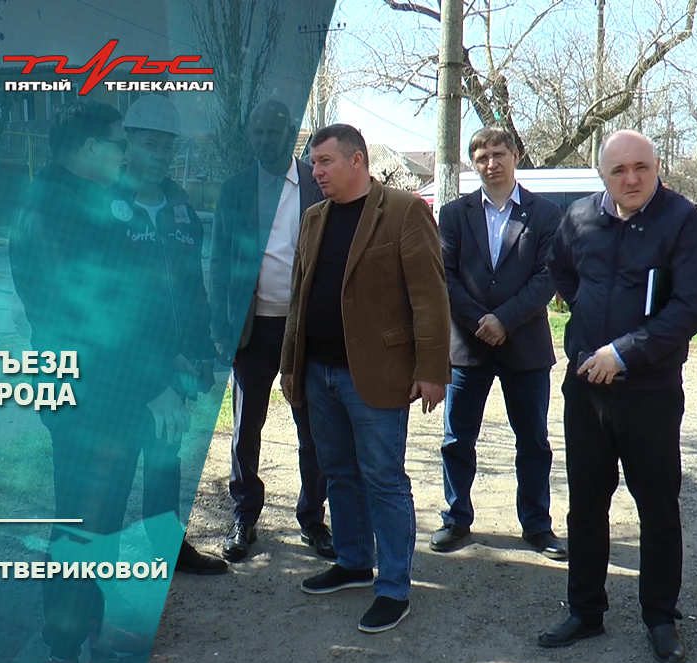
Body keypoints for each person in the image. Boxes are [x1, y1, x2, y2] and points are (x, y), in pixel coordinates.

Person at [9, 99, 181, 663]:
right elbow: (94, 317)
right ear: (86, 148)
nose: (126, 154)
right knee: (84, 523)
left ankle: (88, 631)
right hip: (91, 396)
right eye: (117, 143)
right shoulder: (57, 208)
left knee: (97, 518)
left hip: (101, 392)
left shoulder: (77, 198)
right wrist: (151, 384)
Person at [539, 129, 697, 663]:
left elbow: (692, 306)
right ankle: (585, 610)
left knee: (657, 506)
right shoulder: (578, 218)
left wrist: (622, 351)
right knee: (586, 504)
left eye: (641, 167)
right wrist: (589, 322)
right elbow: (560, 269)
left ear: (657, 166)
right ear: (602, 175)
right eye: (618, 170)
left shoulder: (683, 221)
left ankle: (660, 617)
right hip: (585, 390)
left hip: (649, 391)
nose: (631, 178)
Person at [280, 124, 450, 633]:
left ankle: (394, 587)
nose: (316, 172)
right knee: (337, 470)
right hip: (319, 372)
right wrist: (290, 365)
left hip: (376, 374)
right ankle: (353, 562)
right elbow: (299, 297)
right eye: (313, 163)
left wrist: (431, 371)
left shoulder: (403, 211)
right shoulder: (314, 218)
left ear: (357, 160)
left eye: (325, 162)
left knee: (384, 479)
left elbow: (429, 297)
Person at [430, 127, 567, 560]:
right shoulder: (454, 214)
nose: (491, 163)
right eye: (482, 157)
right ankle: (456, 518)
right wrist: (480, 321)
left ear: (516, 155)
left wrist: (504, 320)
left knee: (533, 441)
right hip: (467, 346)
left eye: (498, 154)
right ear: (473, 164)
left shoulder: (545, 213)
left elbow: (548, 277)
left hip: (524, 345)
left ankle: (537, 525)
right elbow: (443, 275)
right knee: (457, 439)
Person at [208, 101, 331, 562]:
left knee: (313, 429)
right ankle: (244, 517)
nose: (264, 140)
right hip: (252, 329)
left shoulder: (317, 185)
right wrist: (220, 327)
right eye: (256, 132)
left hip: (305, 330)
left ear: (290, 132)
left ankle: (312, 519)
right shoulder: (235, 189)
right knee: (246, 429)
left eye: (272, 132)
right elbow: (219, 261)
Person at [114, 94, 227, 575]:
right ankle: (101, 566)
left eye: (166, 146)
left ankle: (166, 550)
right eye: (149, 144)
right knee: (116, 467)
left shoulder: (182, 210)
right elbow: (107, 304)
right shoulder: (106, 206)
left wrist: (201, 351)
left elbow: (194, 289)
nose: (159, 155)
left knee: (165, 458)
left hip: (176, 364)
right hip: (124, 367)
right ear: (128, 144)